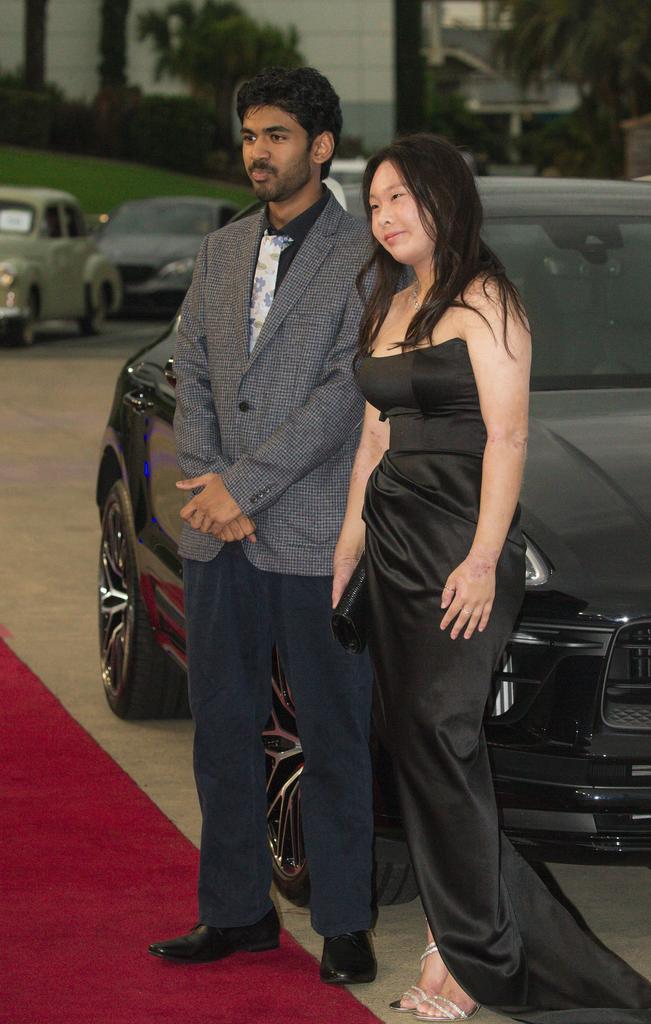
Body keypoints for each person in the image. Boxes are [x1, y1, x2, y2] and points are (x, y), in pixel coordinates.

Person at [333, 134, 651, 1023]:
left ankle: (481, 957)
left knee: (445, 740)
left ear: (444, 201)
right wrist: (345, 551)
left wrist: (483, 557)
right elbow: (371, 440)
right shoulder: (389, 304)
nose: (387, 217)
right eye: (375, 204)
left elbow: (508, 439)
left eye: (402, 198)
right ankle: (454, 942)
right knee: (419, 749)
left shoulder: (489, 301)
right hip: (392, 547)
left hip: (459, 549)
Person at [148, 66, 376, 986]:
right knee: (223, 726)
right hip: (218, 533)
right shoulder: (218, 252)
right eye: (249, 135)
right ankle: (235, 912)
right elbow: (191, 370)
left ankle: (347, 922)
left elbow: (343, 399)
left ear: (320, 147)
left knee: (332, 731)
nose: (257, 151)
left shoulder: (366, 256)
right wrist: (211, 486)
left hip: (314, 531)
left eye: (276, 135)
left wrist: (245, 487)